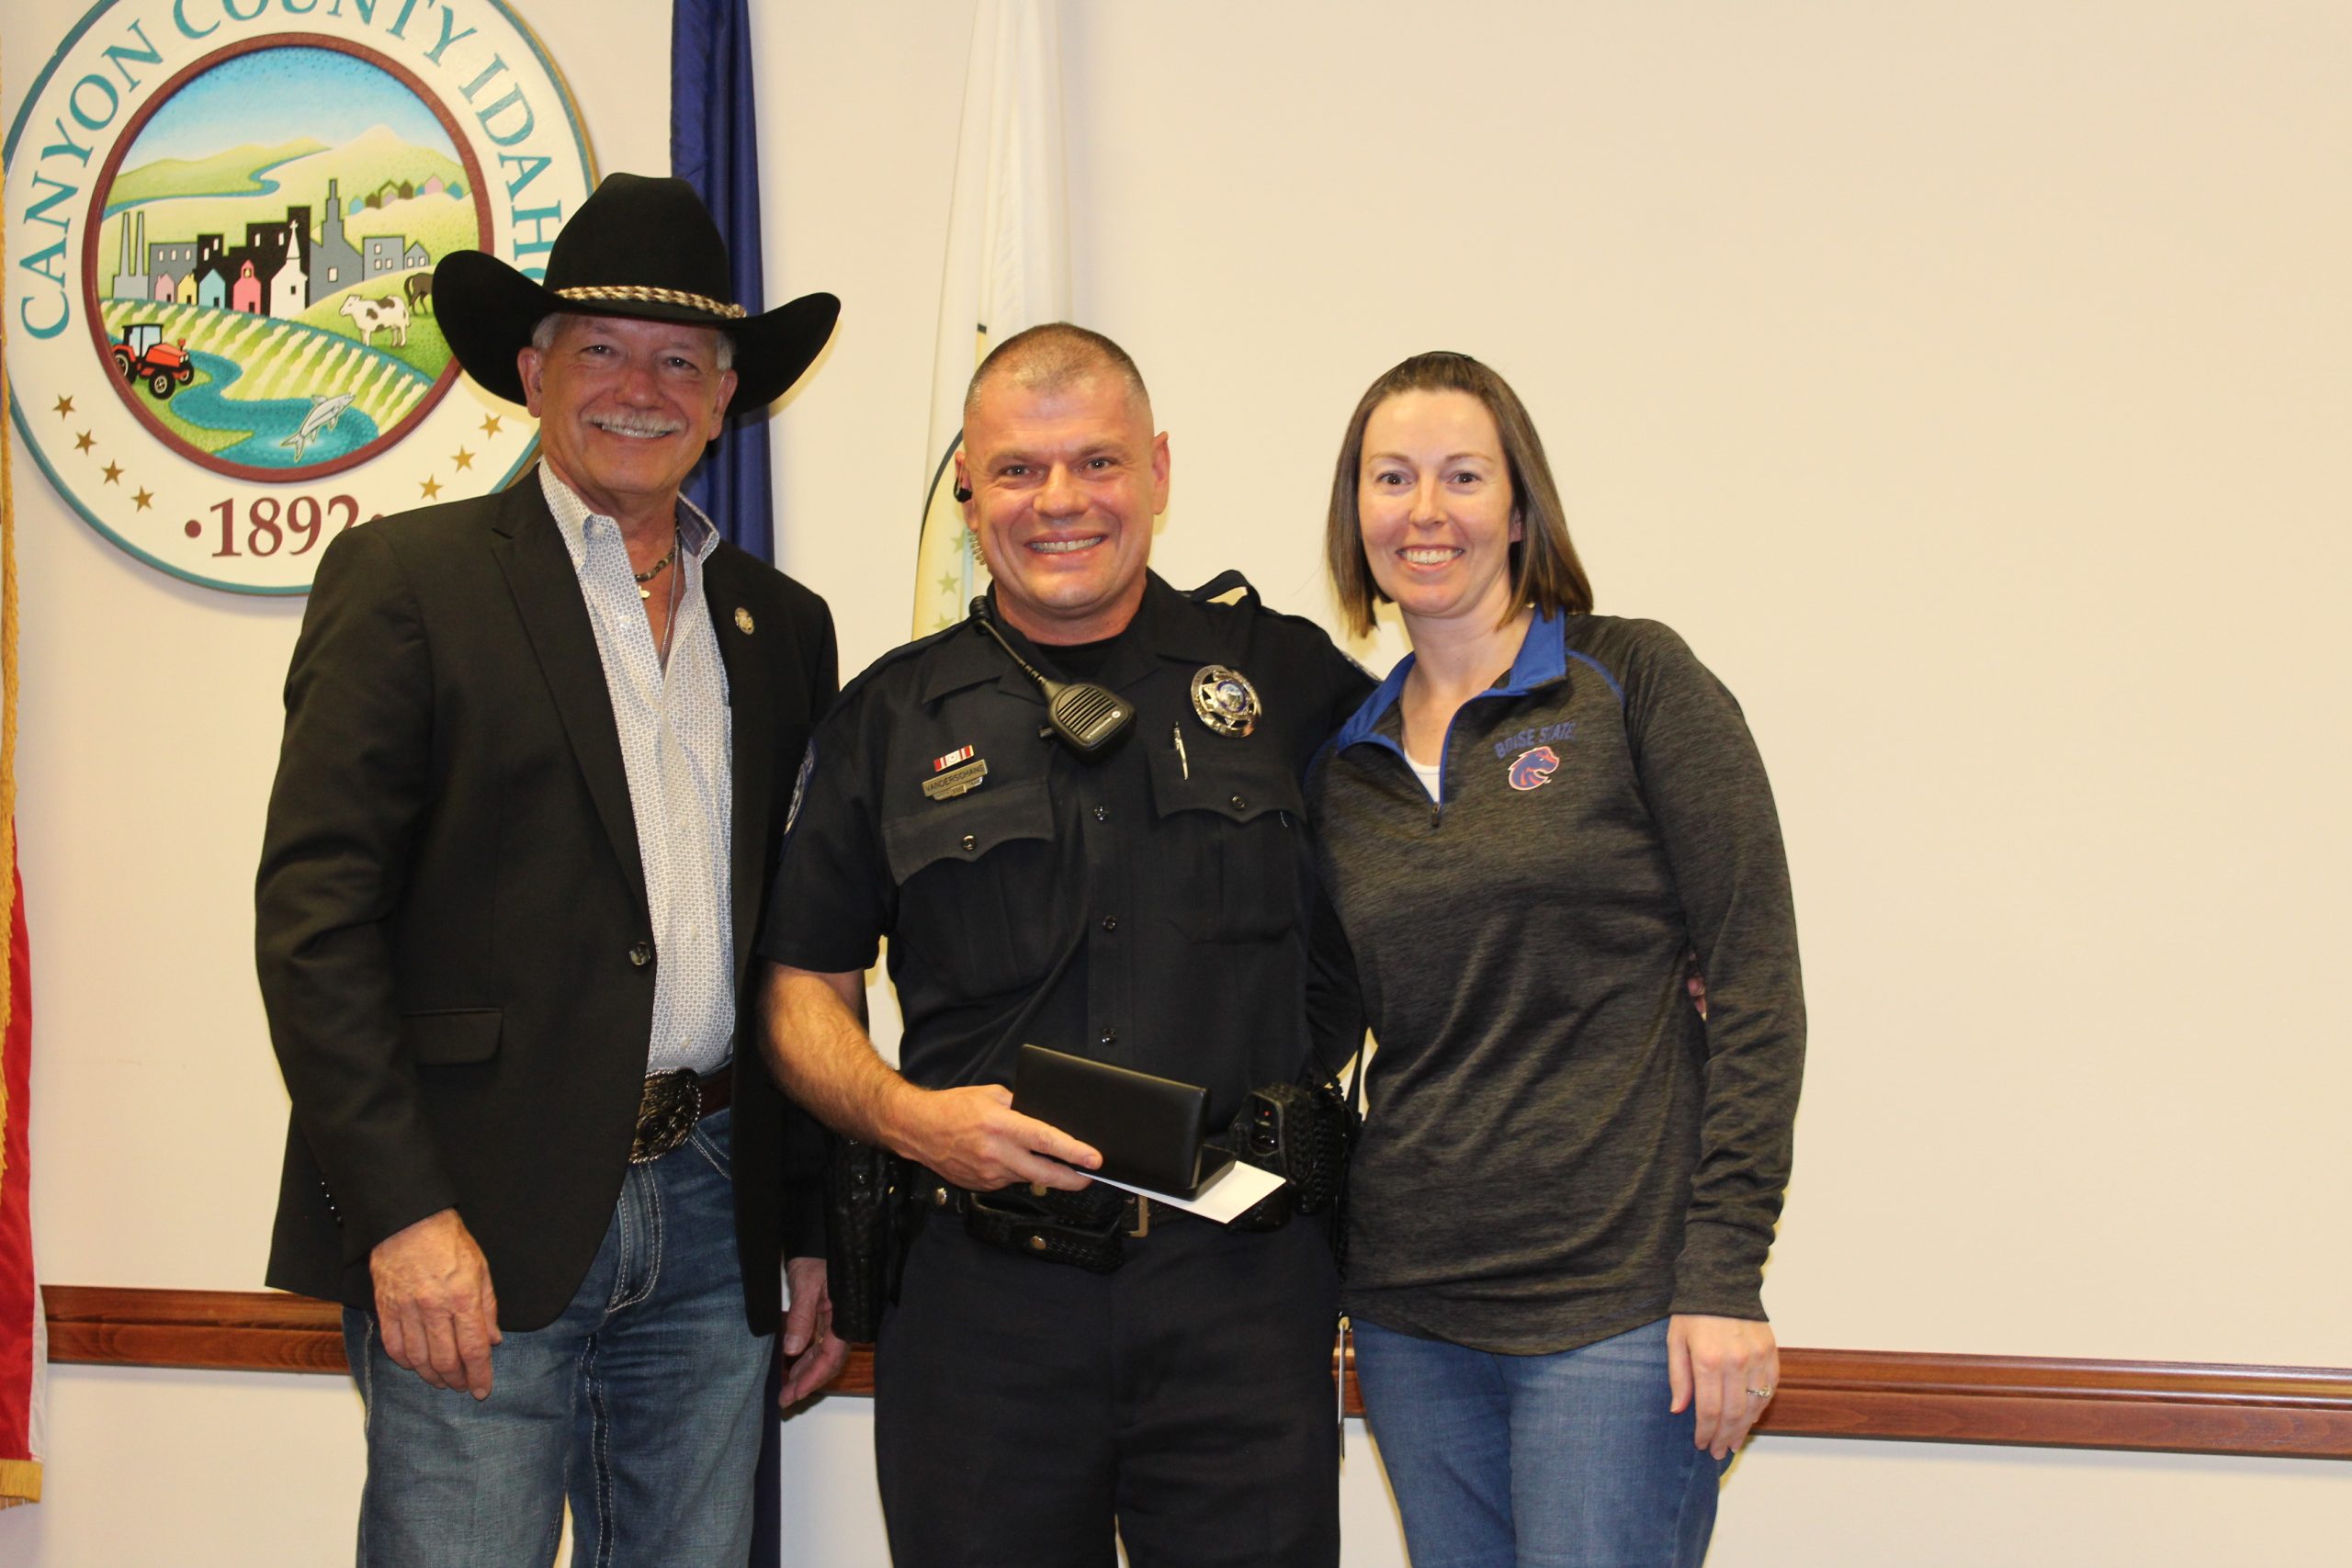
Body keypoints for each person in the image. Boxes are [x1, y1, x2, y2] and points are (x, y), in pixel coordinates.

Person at [254, 173, 850, 1566]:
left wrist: (809, 1224)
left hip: (715, 1213)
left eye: (682, 361)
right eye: (602, 350)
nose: (641, 389)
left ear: (725, 398)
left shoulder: (782, 626)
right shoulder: (409, 581)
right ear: (532, 372)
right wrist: (402, 1212)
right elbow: (315, 924)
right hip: (472, 1211)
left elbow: (802, 946)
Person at [758, 322, 1374, 1568]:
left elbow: (1437, 866)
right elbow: (798, 990)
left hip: (1241, 1294)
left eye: (1097, 462)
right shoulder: (889, 717)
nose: (1060, 502)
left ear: (1158, 467)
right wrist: (906, 1117)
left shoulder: (1288, 682)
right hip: (984, 1309)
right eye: (1019, 469)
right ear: (968, 489)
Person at [1307, 351, 1805, 1568]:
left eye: (1463, 476)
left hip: (1618, 1307)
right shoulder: (1343, 766)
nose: (1425, 511)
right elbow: (1320, 1022)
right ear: (1356, 514)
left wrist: (1724, 1275)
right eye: (1392, 479)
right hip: (1413, 1311)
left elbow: (1754, 982)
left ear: (1521, 509)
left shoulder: (1632, 681)